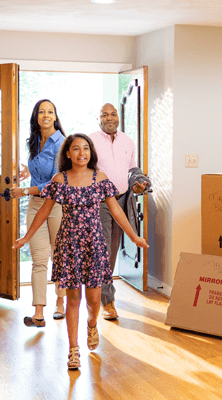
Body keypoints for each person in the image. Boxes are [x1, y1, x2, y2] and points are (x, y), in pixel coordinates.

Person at [13, 134, 148, 370]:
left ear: (91, 153)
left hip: (94, 244)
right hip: (69, 244)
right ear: (68, 153)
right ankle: (73, 350)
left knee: (94, 300)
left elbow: (117, 212)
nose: (81, 153)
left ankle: (92, 324)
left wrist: (134, 236)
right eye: (76, 148)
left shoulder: (100, 179)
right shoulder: (60, 179)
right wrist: (26, 237)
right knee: (73, 298)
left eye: (86, 148)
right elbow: (44, 212)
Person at [89, 103, 150, 320]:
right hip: (100, 202)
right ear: (98, 119)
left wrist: (138, 184)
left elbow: (131, 170)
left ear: (118, 117)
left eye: (113, 114)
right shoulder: (91, 140)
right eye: (104, 114)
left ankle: (101, 294)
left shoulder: (128, 142)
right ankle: (107, 301)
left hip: (122, 200)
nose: (109, 118)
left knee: (112, 250)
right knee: (104, 250)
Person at [9, 99, 67, 327]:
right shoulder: (34, 141)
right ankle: (38, 313)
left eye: (50, 111)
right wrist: (28, 170)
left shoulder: (61, 143)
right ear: (36, 117)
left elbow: (55, 183)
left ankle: (60, 302)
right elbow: (39, 171)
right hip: (35, 205)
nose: (46, 115)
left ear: (55, 116)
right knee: (38, 259)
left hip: (55, 206)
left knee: (59, 256)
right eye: (41, 112)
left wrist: (23, 190)